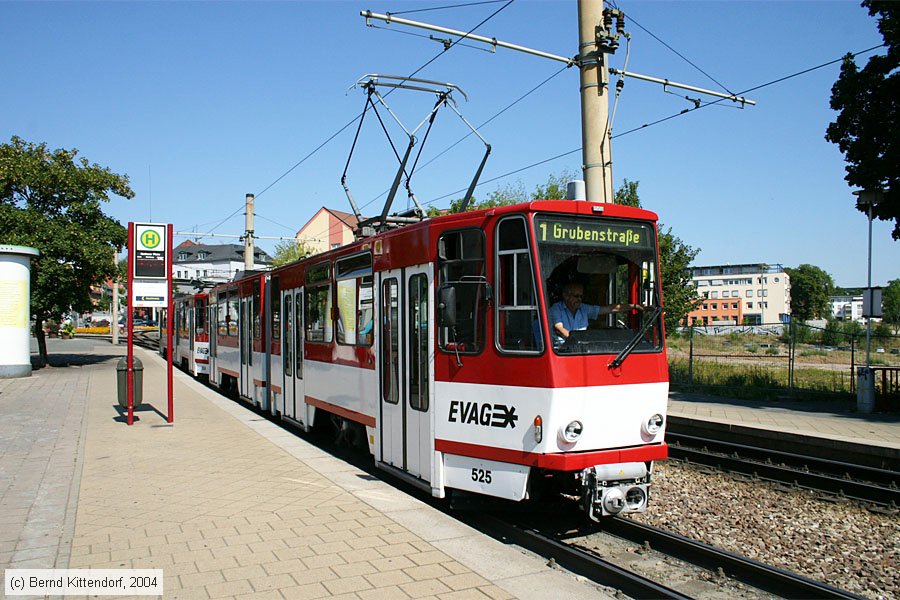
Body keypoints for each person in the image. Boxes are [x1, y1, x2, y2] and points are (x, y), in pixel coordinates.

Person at [549, 282, 642, 344]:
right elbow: (559, 328)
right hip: (562, 351)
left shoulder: (583, 308)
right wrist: (575, 341)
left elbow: (609, 309)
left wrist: (634, 306)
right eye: (576, 296)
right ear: (566, 296)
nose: (579, 299)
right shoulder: (556, 309)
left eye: (581, 296)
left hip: (581, 348)